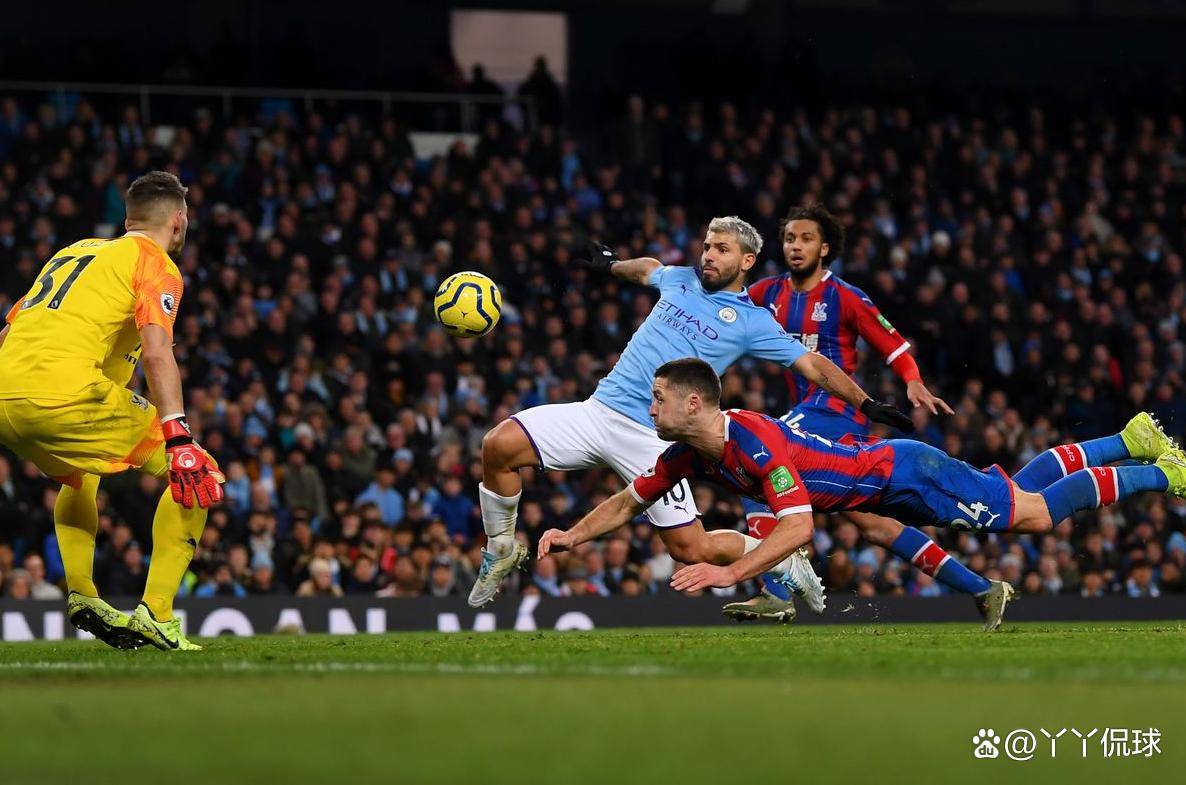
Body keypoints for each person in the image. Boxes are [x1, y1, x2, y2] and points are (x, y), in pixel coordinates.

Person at [537, 358, 1186, 629]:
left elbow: (797, 531)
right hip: (882, 492)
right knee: (1011, 492)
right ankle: (1129, 438)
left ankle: (1164, 472)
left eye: (657, 398)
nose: (648, 408)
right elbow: (628, 501)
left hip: (907, 475)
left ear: (694, 401)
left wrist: (727, 570)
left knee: (1035, 515)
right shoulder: (685, 453)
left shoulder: (756, 442)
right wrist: (570, 534)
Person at [472, 217, 913, 609]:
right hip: (598, 411)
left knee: (691, 549)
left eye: (721, 249)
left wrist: (865, 403)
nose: (708, 255)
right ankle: (502, 547)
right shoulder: (680, 279)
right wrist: (612, 265)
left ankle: (780, 560)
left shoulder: (752, 322)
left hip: (654, 438)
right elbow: (648, 268)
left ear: (747, 261)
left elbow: (813, 364)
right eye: (706, 246)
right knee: (498, 446)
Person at [740, 203, 1002, 627]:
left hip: (836, 412)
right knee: (874, 525)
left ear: (824, 248)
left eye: (806, 238)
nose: (796, 246)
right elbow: (721, 308)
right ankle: (982, 588)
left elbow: (895, 346)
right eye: (790, 238)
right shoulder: (767, 293)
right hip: (808, 417)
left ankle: (775, 590)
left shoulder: (846, 297)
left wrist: (913, 380)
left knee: (754, 461)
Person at [0, 171, 224, 651]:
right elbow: (158, 349)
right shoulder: (156, 264)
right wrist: (179, 435)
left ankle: (82, 593)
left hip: (6, 394)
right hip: (65, 395)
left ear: (128, 219)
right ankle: (158, 614)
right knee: (198, 475)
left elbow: (8, 333)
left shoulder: (74, 251)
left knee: (79, 475)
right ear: (179, 222)